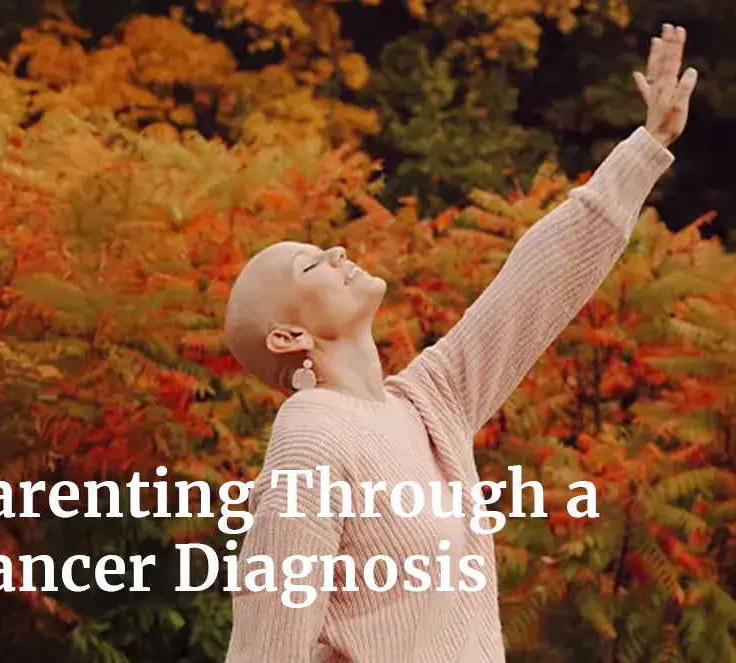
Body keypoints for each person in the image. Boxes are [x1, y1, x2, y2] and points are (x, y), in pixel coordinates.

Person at [222, 23, 697, 663]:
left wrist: (647, 144)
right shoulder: (310, 433)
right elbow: (268, 641)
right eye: (310, 264)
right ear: (288, 336)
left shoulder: (427, 405)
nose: (335, 251)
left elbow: (535, 283)